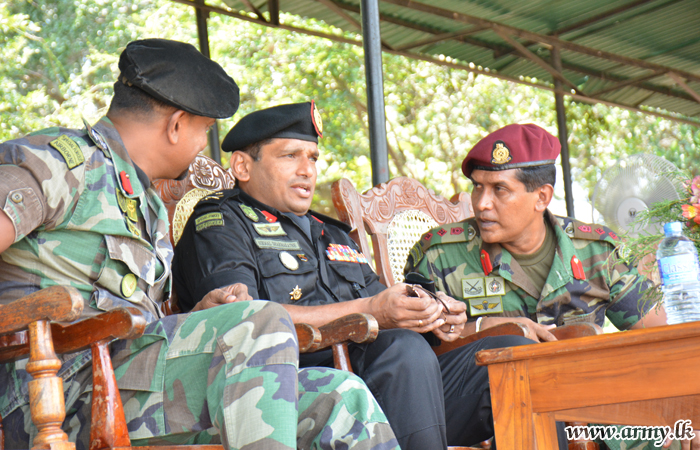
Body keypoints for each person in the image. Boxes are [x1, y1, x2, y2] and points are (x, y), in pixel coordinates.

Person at [0, 39, 398, 450]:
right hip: (60, 391)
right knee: (262, 320)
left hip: (129, 377)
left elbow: (133, 319)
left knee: (341, 397)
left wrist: (201, 318)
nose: (205, 145)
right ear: (176, 125)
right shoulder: (60, 163)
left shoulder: (143, 199)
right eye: (205, 130)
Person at [172, 102, 537, 450]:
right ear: (242, 166)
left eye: (313, 158)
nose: (307, 170)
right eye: (290, 156)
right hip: (293, 385)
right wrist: (373, 311)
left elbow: (382, 302)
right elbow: (244, 323)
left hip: (385, 377)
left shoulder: (330, 233)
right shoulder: (220, 223)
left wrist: (430, 314)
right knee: (403, 352)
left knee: (512, 357)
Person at [404, 123, 698, 450]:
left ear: (541, 196)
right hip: (494, 414)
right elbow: (412, 357)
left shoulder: (595, 250)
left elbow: (662, 334)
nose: (482, 203)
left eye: (499, 190)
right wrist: (487, 328)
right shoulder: (440, 255)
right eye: (477, 187)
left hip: (591, 410)